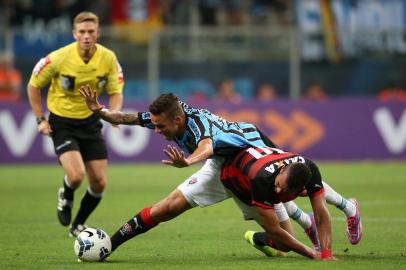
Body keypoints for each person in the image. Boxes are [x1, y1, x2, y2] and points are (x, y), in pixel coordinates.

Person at [78, 87, 313, 254]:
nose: (157, 130)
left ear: (178, 120)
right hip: (221, 167)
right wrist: (99, 110)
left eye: (160, 127)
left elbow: (207, 146)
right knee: (167, 208)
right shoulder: (166, 117)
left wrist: (188, 162)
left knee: (284, 244)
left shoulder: (199, 124)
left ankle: (264, 235)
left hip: (251, 171)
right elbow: (126, 118)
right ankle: (110, 244)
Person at [27, 12, 124, 237]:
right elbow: (33, 86)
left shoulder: (108, 58)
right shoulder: (58, 58)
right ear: (74, 34)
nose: (87, 36)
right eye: (82, 32)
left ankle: (78, 224)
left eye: (91, 31)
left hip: (91, 123)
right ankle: (66, 194)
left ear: (98, 33)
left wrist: (113, 113)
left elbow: (115, 91)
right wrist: (40, 119)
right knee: (77, 175)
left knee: (99, 182)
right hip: (62, 123)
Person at [220, 146, 361, 260]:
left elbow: (321, 212)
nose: (277, 189)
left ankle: (344, 210)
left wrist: (326, 254)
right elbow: (274, 230)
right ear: (281, 171)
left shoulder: (308, 170)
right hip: (231, 180)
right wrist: (311, 254)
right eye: (278, 183)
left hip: (262, 168)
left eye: (283, 188)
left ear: (299, 191)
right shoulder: (262, 180)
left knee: (286, 243)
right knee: (283, 241)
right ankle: (313, 218)